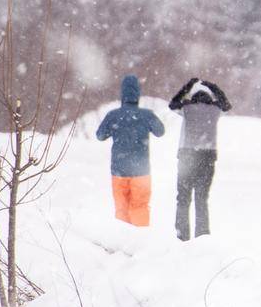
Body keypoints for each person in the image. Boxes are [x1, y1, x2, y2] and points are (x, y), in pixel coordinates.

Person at [96, 74, 165, 226]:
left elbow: (100, 135)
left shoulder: (113, 116)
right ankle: (140, 242)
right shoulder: (147, 115)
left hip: (119, 171)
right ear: (138, 94)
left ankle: (123, 242)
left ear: (122, 94)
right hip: (141, 171)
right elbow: (160, 132)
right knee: (140, 207)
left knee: (121, 209)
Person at [167, 77, 231, 241]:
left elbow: (173, 104)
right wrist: (213, 86)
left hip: (187, 155)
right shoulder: (215, 110)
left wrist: (187, 86)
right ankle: (202, 235)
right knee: (201, 198)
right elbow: (227, 105)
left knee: (183, 197)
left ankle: (182, 235)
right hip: (208, 156)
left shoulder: (187, 108)